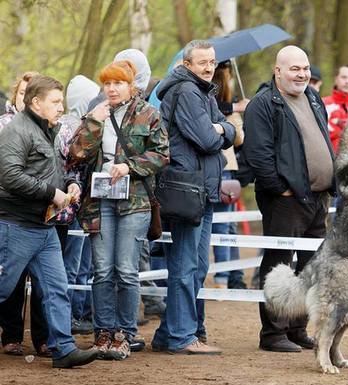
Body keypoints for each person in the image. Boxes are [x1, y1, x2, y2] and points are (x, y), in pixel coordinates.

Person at [68, 60, 169, 360]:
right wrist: (93, 121)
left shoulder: (149, 114)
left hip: (134, 202)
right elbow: (77, 153)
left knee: (126, 271)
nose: (111, 89)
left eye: (118, 83)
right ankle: (103, 334)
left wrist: (130, 166)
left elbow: (162, 154)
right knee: (101, 271)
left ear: (131, 85)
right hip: (99, 203)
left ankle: (124, 334)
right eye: (107, 83)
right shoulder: (97, 112)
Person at [0, 74, 99, 368]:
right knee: (3, 288)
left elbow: (54, 168)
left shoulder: (50, 130)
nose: (61, 107)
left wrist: (69, 183)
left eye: (61, 101)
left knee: (56, 288)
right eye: (55, 102)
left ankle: (63, 348)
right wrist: (51, 192)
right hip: (16, 225)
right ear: (35, 102)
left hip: (45, 228)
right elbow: (9, 175)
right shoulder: (17, 131)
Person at [243, 45, 335, 352]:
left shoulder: (312, 98)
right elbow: (258, 154)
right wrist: (280, 188)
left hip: (318, 198)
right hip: (286, 200)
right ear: (277, 70)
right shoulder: (264, 103)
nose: (303, 74)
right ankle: (273, 333)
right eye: (295, 68)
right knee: (279, 265)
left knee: (312, 266)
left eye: (306, 68)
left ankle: (297, 328)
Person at [152, 39, 235, 355]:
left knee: (197, 266)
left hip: (203, 189)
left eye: (212, 61)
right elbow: (206, 139)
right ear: (186, 65)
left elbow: (226, 131)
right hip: (189, 189)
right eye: (202, 62)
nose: (209, 67)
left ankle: (168, 333)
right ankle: (181, 336)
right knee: (187, 265)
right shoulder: (187, 92)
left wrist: (222, 129)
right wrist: (221, 130)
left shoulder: (203, 91)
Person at [0, 71, 51, 357]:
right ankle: (11, 335)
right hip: (12, 212)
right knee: (12, 279)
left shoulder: (52, 126)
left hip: (46, 214)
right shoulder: (6, 126)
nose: (26, 98)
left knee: (47, 282)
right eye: (21, 93)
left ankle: (45, 338)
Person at [55, 75, 100, 336]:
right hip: (72, 202)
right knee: (72, 263)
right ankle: (70, 315)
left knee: (83, 263)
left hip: (85, 201)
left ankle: (80, 312)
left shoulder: (86, 124)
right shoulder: (70, 126)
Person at [210, 60, 248, 294]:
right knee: (223, 225)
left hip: (213, 168)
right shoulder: (228, 110)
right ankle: (222, 278)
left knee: (217, 224)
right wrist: (235, 113)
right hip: (224, 168)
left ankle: (226, 275)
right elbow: (239, 138)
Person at [322, 65, 348, 152]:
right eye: (344, 77)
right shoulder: (323, 104)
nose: (347, 81)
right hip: (327, 156)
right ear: (336, 79)